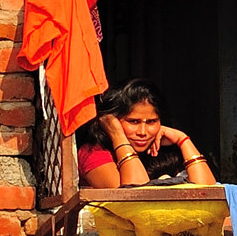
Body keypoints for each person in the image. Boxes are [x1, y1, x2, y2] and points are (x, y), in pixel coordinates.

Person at [77, 79, 216, 188]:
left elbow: (207, 192)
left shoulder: (161, 152)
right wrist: (117, 135)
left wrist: (182, 139)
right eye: (133, 121)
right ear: (113, 120)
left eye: (151, 122)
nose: (142, 132)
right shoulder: (94, 154)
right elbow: (136, 196)